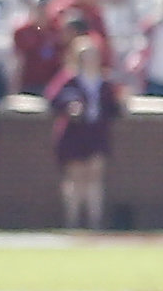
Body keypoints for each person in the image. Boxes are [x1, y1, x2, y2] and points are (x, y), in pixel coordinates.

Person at [48, 23, 118, 235]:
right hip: (74, 134)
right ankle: (73, 221)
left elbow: (113, 108)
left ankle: (94, 221)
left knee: (94, 176)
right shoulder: (69, 79)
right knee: (75, 177)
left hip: (96, 133)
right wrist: (71, 106)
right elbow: (53, 98)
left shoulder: (104, 82)